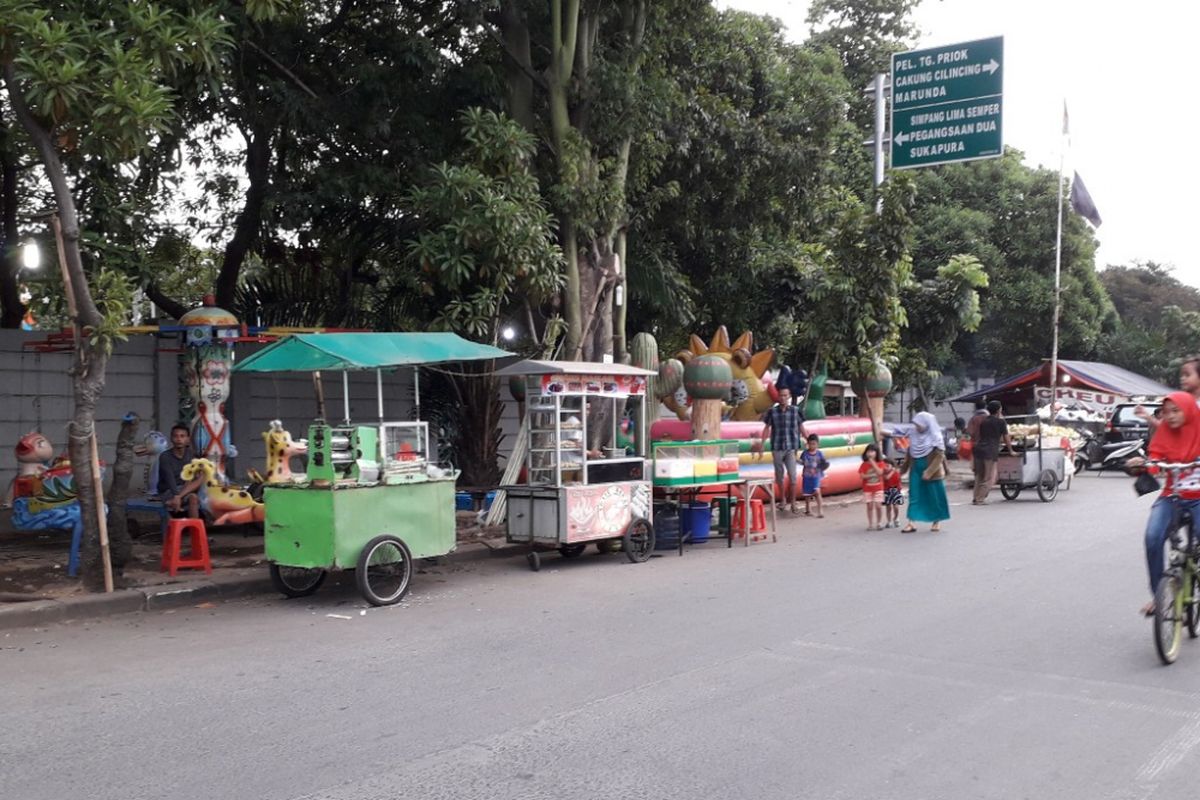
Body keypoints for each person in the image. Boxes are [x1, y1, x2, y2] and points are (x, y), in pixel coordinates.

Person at [1127, 391, 1200, 616]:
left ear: (1187, 410)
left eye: (1175, 410)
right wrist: (1141, 465)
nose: (1169, 416)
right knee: (1152, 538)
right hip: (1172, 497)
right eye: (1166, 412)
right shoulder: (1164, 433)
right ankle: (1159, 595)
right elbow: (1155, 462)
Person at [899, 411, 950, 533]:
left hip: (933, 472)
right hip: (915, 469)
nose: (917, 427)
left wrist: (929, 472)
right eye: (916, 424)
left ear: (927, 424)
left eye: (919, 424)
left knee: (934, 496)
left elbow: (940, 456)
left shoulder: (935, 436)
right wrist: (902, 471)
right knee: (914, 495)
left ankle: (936, 521)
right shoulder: (913, 435)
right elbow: (909, 454)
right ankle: (911, 522)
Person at [762, 387, 803, 514]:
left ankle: (793, 502)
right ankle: (783, 500)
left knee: (793, 476)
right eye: (781, 395)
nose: (783, 398)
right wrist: (762, 443)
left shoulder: (796, 411)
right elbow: (767, 428)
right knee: (779, 476)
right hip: (777, 447)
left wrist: (809, 439)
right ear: (778, 397)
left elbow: (801, 426)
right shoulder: (772, 412)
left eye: (785, 395)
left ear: (789, 396)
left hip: (791, 447)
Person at [1139, 355, 1200, 433]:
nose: (1182, 378)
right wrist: (1148, 417)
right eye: (1181, 375)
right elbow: (1167, 427)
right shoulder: (1180, 402)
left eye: (1187, 375)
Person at [972, 400, 1015, 505]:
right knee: (988, 477)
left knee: (979, 476)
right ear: (999, 409)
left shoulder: (984, 421)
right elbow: (1006, 438)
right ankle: (980, 499)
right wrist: (1011, 450)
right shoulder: (1001, 422)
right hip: (990, 450)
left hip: (979, 449)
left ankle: (975, 497)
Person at [158, 424, 203, 518]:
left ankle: (194, 531)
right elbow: (169, 479)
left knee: (196, 492)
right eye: (176, 436)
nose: (179, 439)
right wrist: (175, 495)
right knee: (192, 496)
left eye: (182, 436)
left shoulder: (191, 454)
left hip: (185, 489)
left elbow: (192, 477)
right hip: (168, 489)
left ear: (188, 439)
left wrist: (179, 496)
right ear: (171, 438)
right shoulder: (165, 456)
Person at [859, 443, 885, 530]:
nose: (870, 453)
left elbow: (880, 472)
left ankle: (879, 522)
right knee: (869, 506)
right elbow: (862, 476)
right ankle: (870, 523)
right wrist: (871, 475)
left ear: (877, 453)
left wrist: (872, 462)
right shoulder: (864, 464)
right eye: (868, 451)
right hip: (867, 488)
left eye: (872, 451)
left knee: (878, 506)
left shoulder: (880, 463)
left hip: (878, 488)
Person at [799, 433, 826, 517]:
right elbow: (802, 462)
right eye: (810, 444)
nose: (812, 446)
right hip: (807, 476)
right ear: (808, 444)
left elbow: (823, 463)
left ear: (817, 444)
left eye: (814, 444)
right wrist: (797, 460)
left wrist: (822, 469)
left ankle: (820, 510)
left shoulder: (819, 454)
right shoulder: (805, 453)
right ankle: (808, 509)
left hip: (816, 476)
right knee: (807, 494)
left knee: (817, 492)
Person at [882, 458, 904, 528]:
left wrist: (899, 489)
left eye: (887, 466)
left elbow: (899, 481)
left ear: (892, 466)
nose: (886, 467)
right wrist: (892, 472)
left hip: (895, 490)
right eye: (884, 466)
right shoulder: (883, 473)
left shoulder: (896, 473)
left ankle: (896, 518)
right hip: (887, 491)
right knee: (888, 507)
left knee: (896, 507)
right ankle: (889, 521)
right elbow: (887, 478)